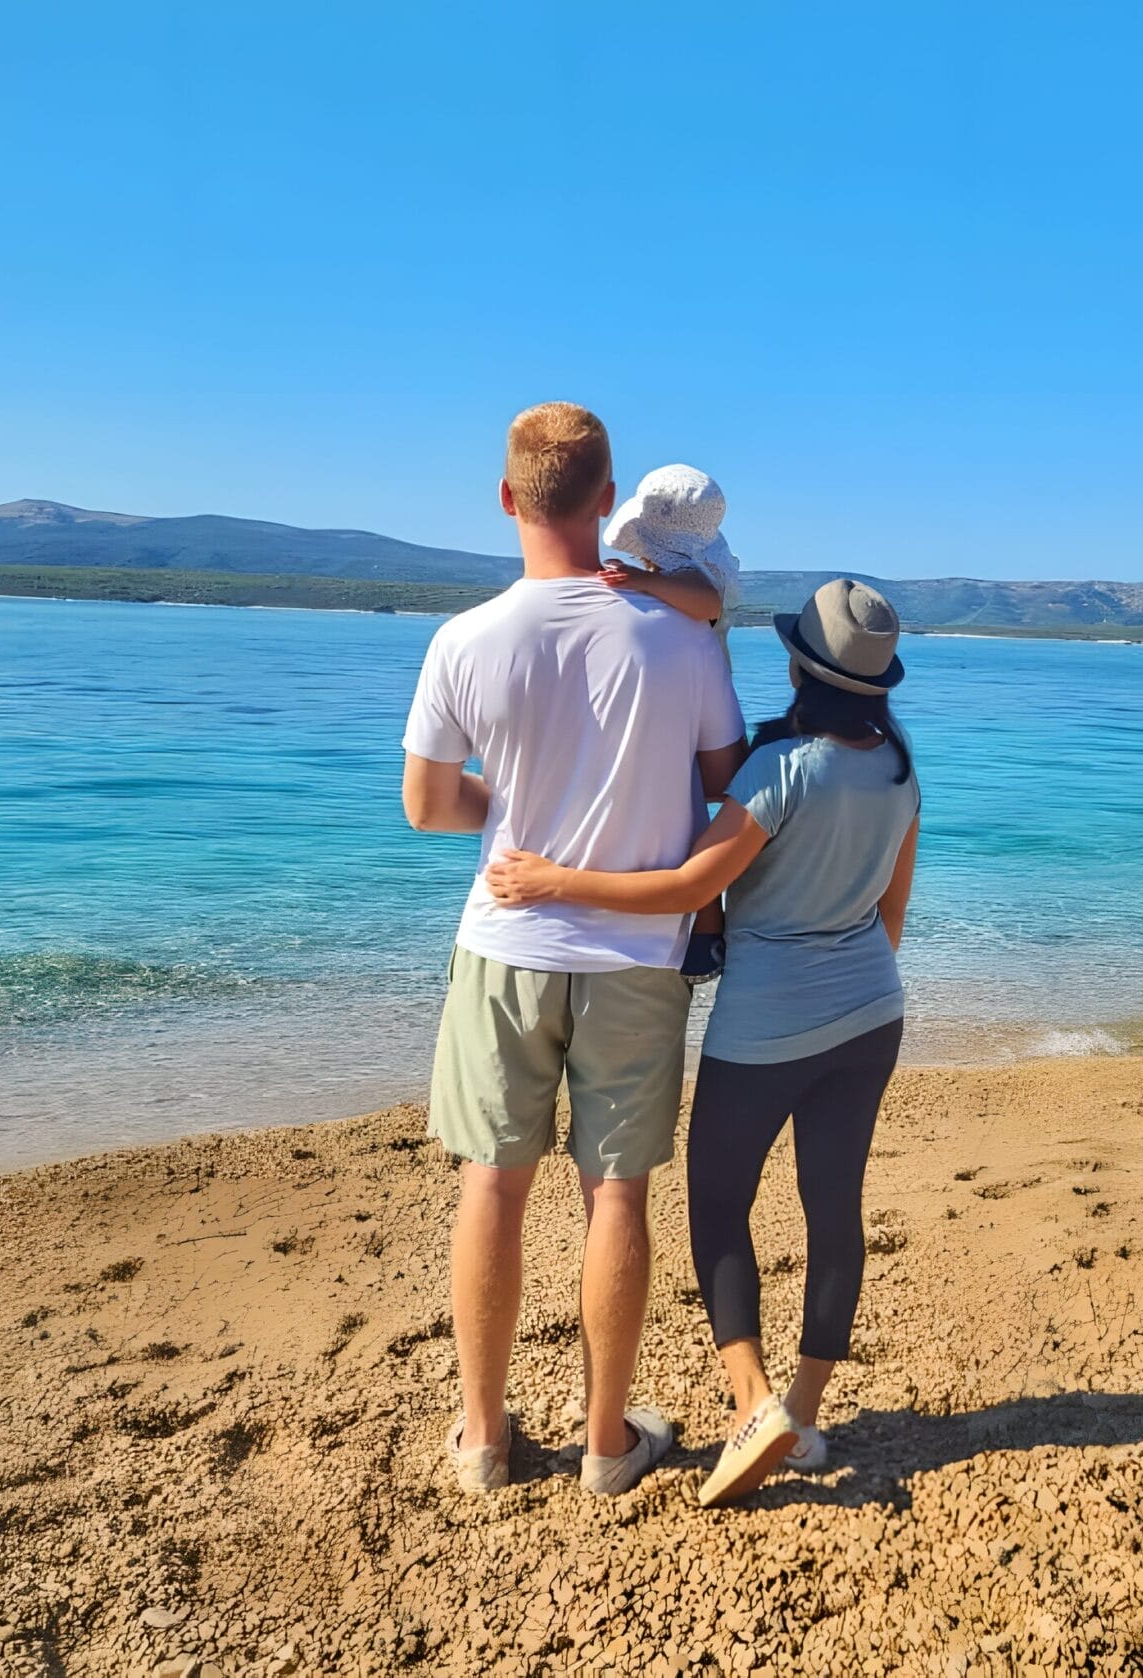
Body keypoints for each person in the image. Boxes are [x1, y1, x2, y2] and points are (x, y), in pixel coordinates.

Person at [487, 578, 921, 1508]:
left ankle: (753, 1398)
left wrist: (556, 879)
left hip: (767, 1025)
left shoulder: (780, 769)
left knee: (719, 1206)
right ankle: (802, 1417)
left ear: (800, 666)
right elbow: (890, 917)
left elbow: (690, 888)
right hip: (873, 1013)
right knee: (832, 1206)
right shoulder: (898, 766)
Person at [401, 402, 746, 1497]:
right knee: (616, 1196)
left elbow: (426, 806)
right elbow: (725, 786)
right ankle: (606, 1444)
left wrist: (516, 806)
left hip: (506, 941)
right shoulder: (683, 639)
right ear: (609, 501)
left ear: (507, 498)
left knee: (491, 1186)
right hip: (639, 953)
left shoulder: (465, 638)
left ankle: (484, 1438)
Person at [598, 464, 742, 980]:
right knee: (687, 814)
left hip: (699, 698)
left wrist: (638, 581)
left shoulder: (696, 583)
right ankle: (706, 934)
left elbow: (707, 603)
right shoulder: (683, 577)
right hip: (699, 696)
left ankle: (706, 934)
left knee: (688, 819)